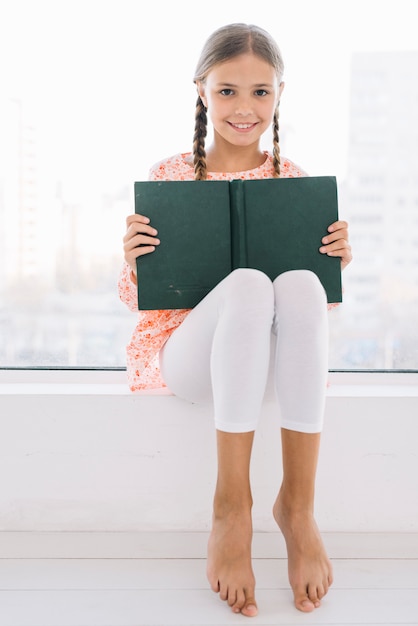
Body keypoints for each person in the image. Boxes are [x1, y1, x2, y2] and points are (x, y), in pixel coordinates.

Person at [119, 23, 352, 618]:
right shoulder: (170, 175)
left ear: (279, 95)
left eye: (259, 92)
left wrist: (335, 263)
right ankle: (232, 507)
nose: (244, 108)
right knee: (247, 284)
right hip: (193, 357)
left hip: (266, 366)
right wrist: (133, 259)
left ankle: (298, 508)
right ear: (201, 91)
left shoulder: (294, 178)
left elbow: (310, 318)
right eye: (227, 91)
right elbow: (141, 300)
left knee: (295, 282)